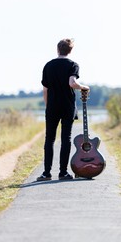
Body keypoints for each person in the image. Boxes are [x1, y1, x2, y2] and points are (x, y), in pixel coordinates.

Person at [36, 38, 89, 181]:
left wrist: (48, 107)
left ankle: (46, 173)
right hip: (67, 106)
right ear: (70, 50)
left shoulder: (48, 65)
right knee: (66, 138)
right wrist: (83, 87)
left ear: (58, 49)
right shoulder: (73, 65)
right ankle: (63, 172)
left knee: (50, 139)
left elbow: (45, 90)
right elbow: (72, 83)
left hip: (52, 106)